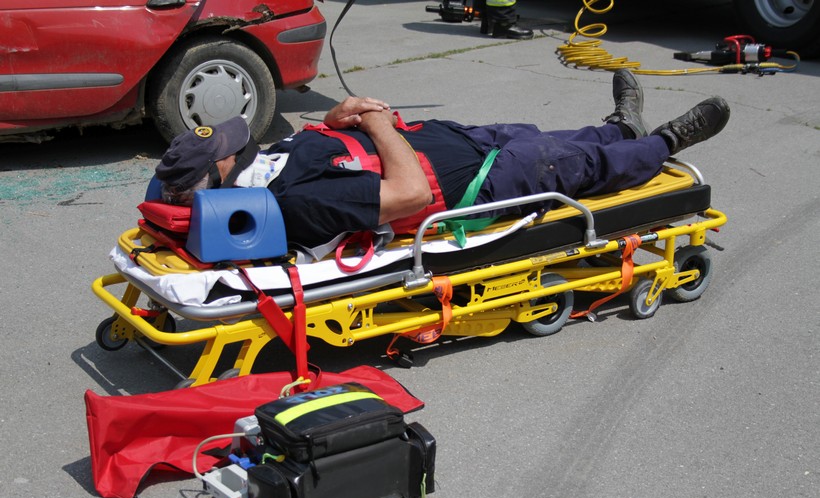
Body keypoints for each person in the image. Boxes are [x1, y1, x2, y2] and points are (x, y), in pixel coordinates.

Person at [155, 70, 730, 251]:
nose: (241, 139)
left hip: (458, 142)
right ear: (222, 171)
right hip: (480, 183)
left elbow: (330, 149)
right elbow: (409, 196)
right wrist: (376, 121)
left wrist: (336, 117)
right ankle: (666, 142)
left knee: (553, 139)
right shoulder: (296, 201)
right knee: (574, 163)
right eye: (228, 144)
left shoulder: (268, 165)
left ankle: (621, 128)